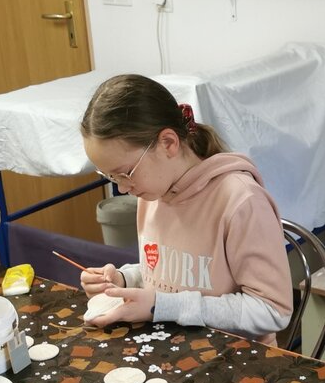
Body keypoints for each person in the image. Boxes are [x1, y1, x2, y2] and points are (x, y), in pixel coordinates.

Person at [77, 74, 292, 345]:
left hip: (234, 359)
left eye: (125, 173)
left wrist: (163, 306)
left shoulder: (241, 200)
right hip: (171, 349)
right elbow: (167, 274)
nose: (121, 188)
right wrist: (124, 279)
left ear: (168, 143)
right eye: (110, 177)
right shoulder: (152, 192)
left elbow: (273, 311)